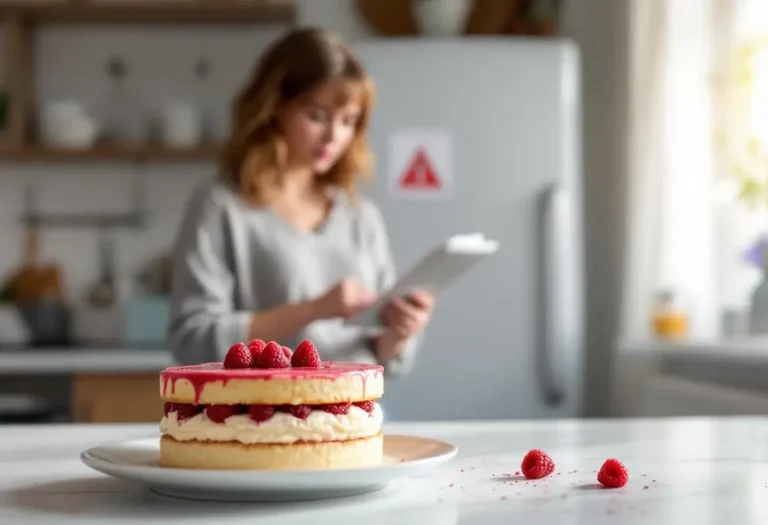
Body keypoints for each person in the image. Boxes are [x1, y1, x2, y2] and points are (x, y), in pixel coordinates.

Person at [168, 27, 434, 377]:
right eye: (318, 116)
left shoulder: (360, 215)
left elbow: (384, 359)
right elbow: (192, 339)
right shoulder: (221, 206)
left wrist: (400, 333)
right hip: (263, 407)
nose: (334, 136)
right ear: (275, 107)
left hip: (355, 404)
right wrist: (313, 310)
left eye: (348, 121)